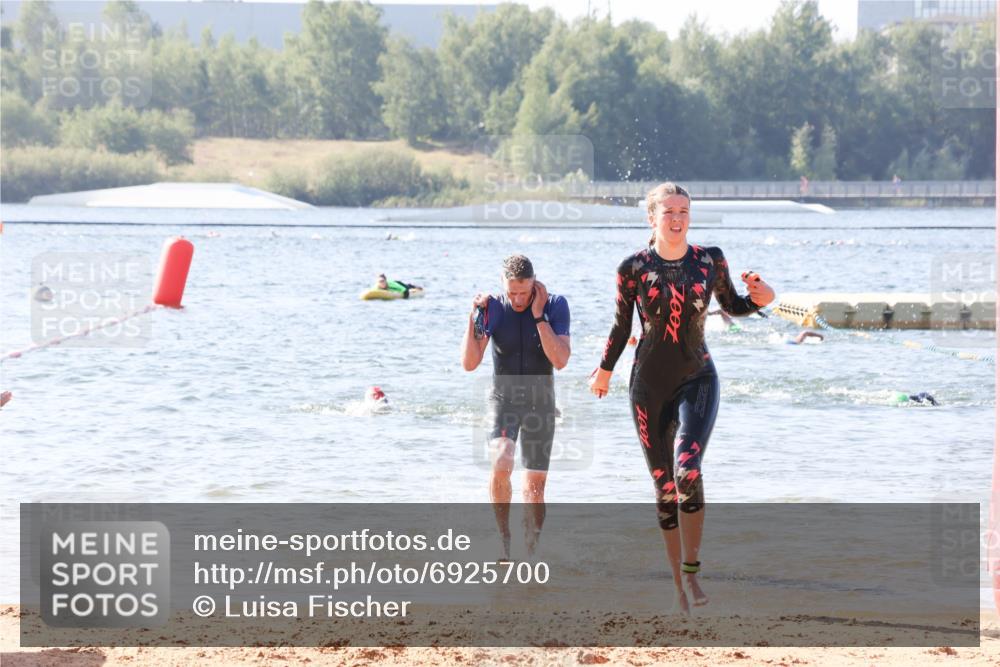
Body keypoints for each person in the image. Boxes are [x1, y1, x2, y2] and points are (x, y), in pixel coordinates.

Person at [589, 182, 774, 614]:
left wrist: (762, 299)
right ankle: (677, 586)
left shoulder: (709, 260)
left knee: (688, 470)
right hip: (648, 386)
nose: (677, 218)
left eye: (684, 211)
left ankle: (692, 570)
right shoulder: (633, 267)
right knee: (665, 485)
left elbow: (734, 305)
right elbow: (621, 325)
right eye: (668, 211)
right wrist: (604, 370)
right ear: (651, 217)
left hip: (698, 378)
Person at [461, 254, 571, 560]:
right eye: (512, 293)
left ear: (535, 283)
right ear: (502, 285)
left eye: (524, 292)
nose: (518, 299)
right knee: (502, 459)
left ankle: (531, 552)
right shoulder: (494, 308)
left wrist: (539, 317)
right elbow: (469, 363)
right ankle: (504, 540)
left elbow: (561, 360)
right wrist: (473, 316)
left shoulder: (555, 305)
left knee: (535, 489)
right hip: (503, 400)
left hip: (541, 403)